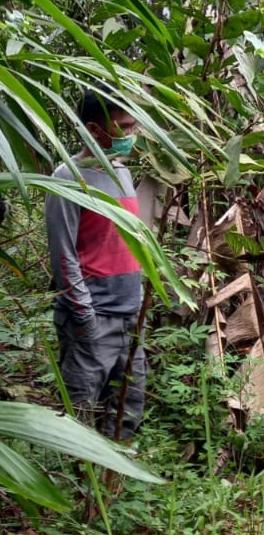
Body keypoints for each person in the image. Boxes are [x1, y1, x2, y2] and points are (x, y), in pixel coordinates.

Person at [46, 89, 145, 440]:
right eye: (124, 126)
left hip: (130, 316)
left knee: (126, 408)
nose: (132, 134)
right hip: (94, 317)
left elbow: (131, 243)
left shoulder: (123, 173)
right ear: (96, 129)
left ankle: (110, 488)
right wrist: (85, 316)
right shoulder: (68, 177)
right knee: (80, 416)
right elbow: (62, 254)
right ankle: (76, 490)